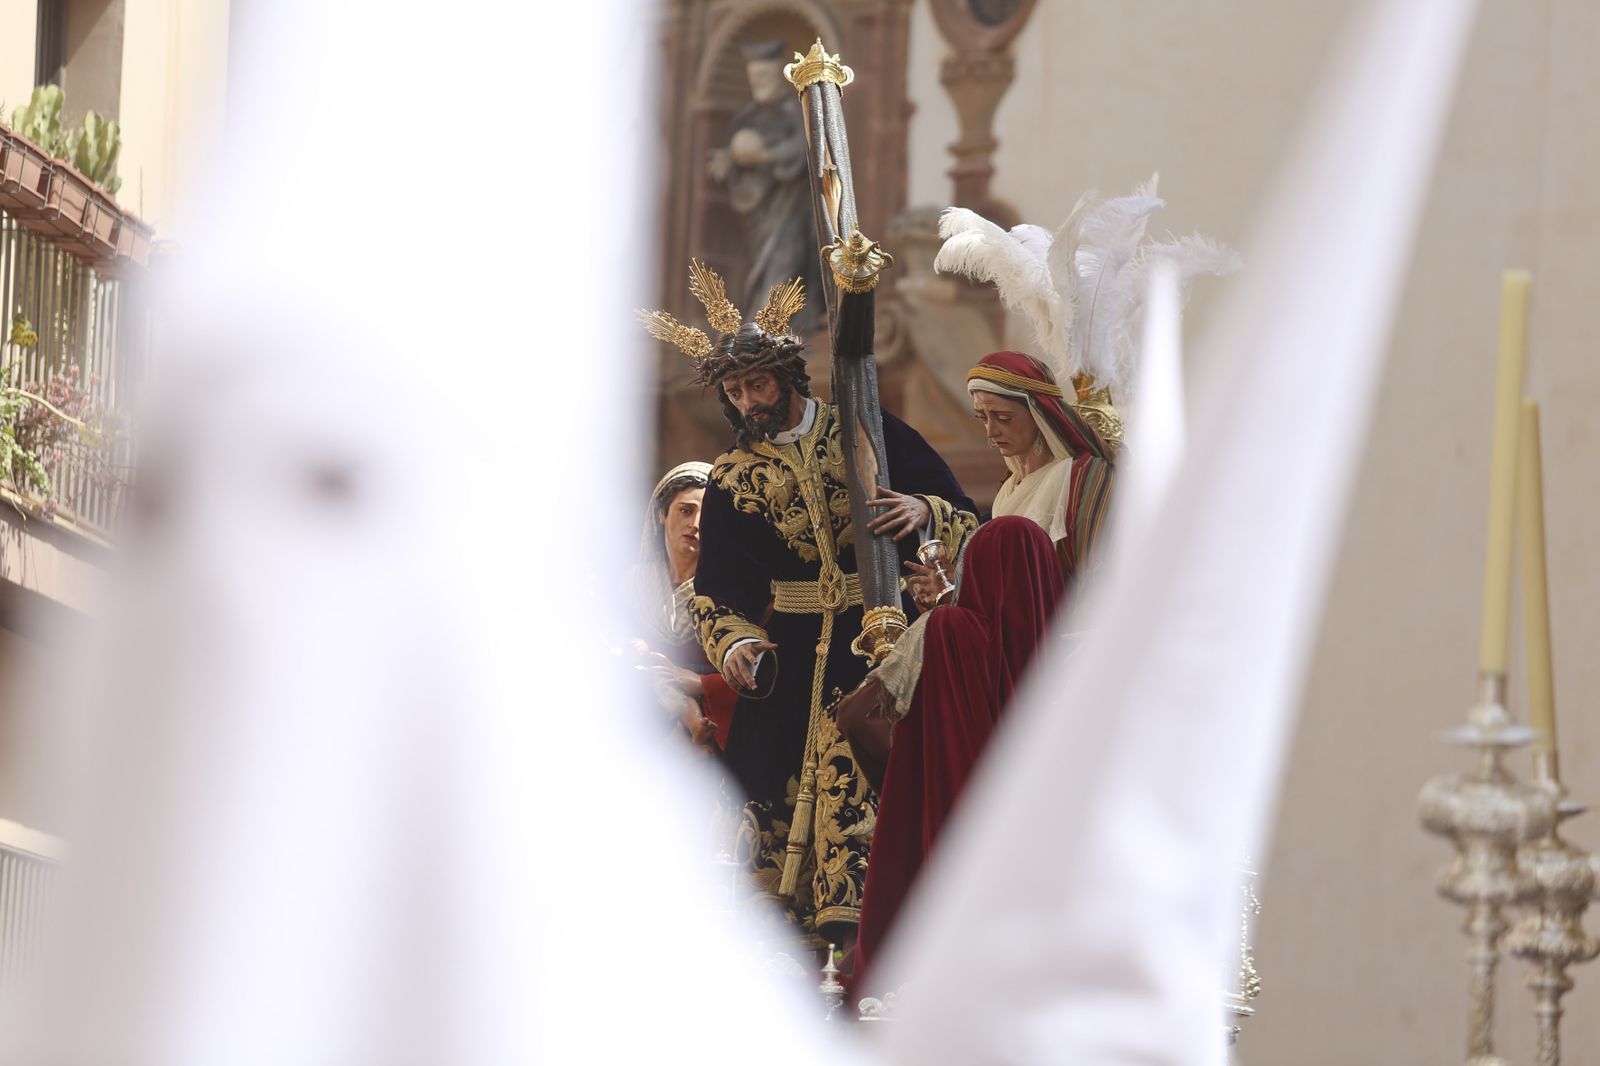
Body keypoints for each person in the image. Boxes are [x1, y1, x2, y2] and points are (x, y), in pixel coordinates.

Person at [640, 261, 978, 949]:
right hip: (789, 654)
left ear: (788, 377)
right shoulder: (734, 476)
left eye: (756, 384)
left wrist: (923, 509)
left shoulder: (867, 432)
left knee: (873, 780)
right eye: (735, 391)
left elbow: (963, 513)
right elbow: (718, 590)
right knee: (765, 797)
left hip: (880, 633)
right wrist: (734, 644)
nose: (747, 401)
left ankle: (871, 936)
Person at [852, 516, 1064, 992]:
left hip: (952, 833)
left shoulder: (949, 629)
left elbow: (856, 716)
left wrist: (902, 778)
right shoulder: (1075, 668)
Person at [706, 40, 823, 331]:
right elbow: (737, 157)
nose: (758, 83)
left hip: (792, 209)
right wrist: (731, 158)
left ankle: (769, 329)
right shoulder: (748, 117)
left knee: (785, 263)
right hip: (760, 213)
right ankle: (762, 329)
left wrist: (764, 155)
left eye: (764, 77)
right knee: (760, 269)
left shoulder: (795, 111)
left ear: (776, 76)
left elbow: (804, 149)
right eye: (753, 78)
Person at [628, 461, 738, 750]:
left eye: (708, 515)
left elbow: (760, 678)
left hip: (718, 733)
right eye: (686, 510)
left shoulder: (731, 591)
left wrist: (702, 683)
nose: (697, 524)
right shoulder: (631, 586)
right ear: (662, 513)